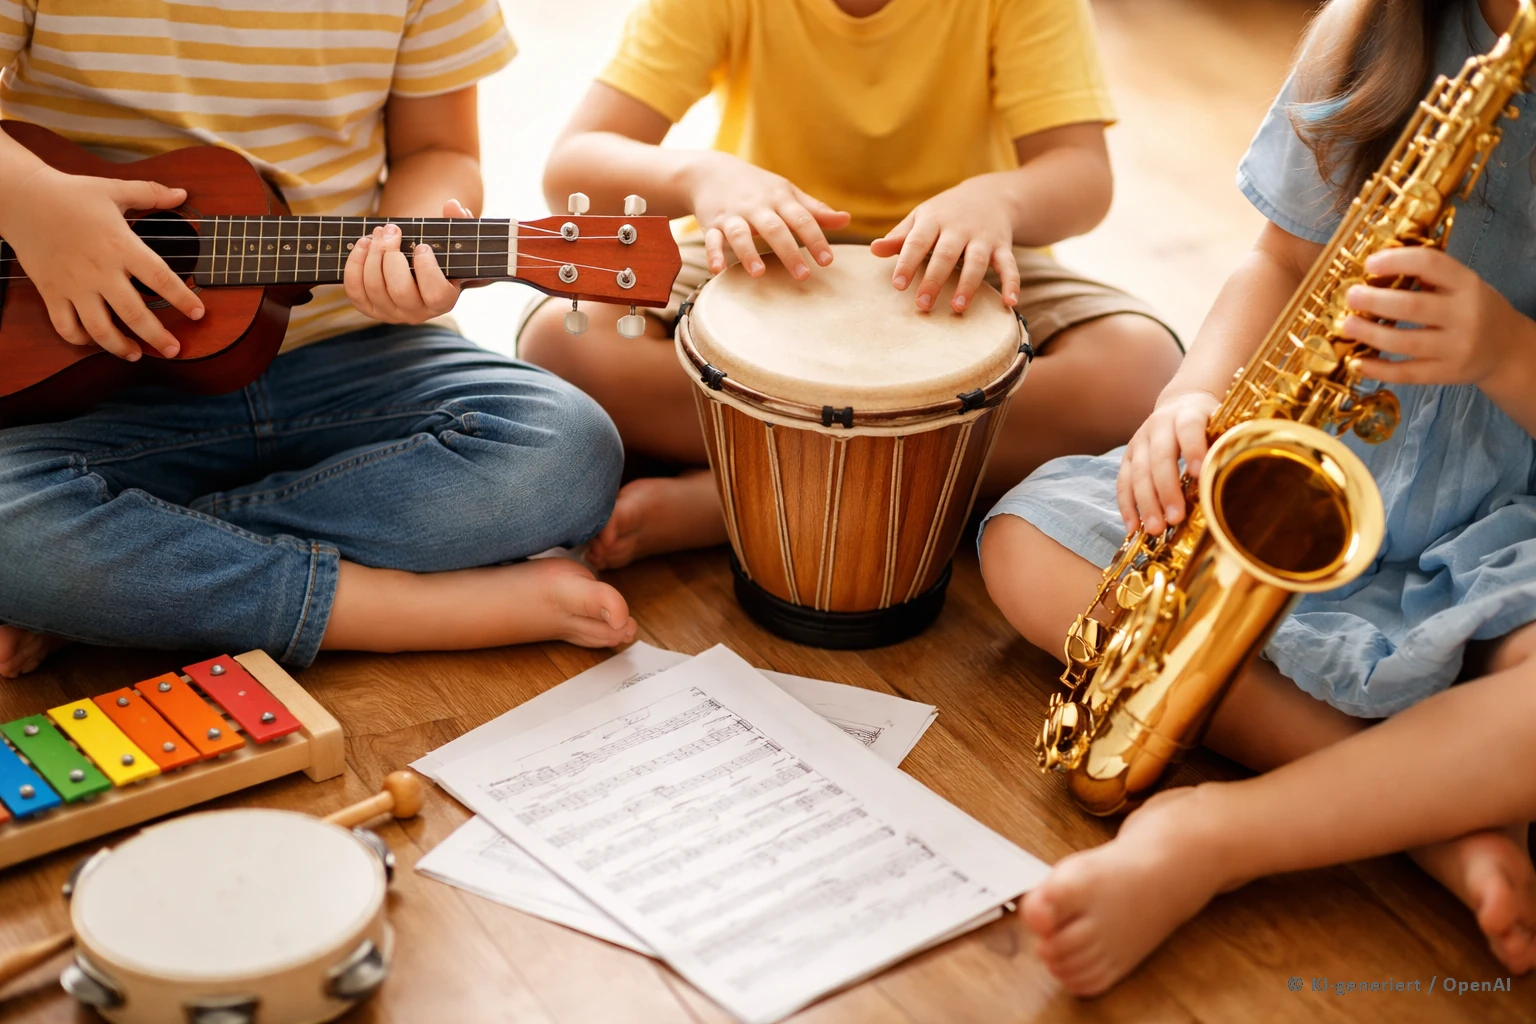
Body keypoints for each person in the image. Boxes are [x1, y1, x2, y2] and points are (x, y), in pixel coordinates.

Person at [979, 0, 1536, 996]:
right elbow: (1279, 261)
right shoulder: (1375, 29)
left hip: (1508, 526)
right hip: (1306, 466)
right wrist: (1190, 398)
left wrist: (1509, 353)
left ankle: (1226, 833)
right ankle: (1430, 811)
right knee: (1023, 543)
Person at [0, 0, 636, 680]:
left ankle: (123, 590)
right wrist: (35, 201)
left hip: (356, 352)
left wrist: (415, 238)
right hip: (101, 389)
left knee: (567, 450)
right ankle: (402, 612)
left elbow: (438, 149)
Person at [518, 0, 1183, 570]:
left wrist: (1000, 202)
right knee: (566, 337)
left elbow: (1083, 176)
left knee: (1139, 369)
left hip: (955, 264)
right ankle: (872, 493)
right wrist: (702, 176)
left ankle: (751, 494)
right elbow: (574, 165)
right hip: (764, 255)